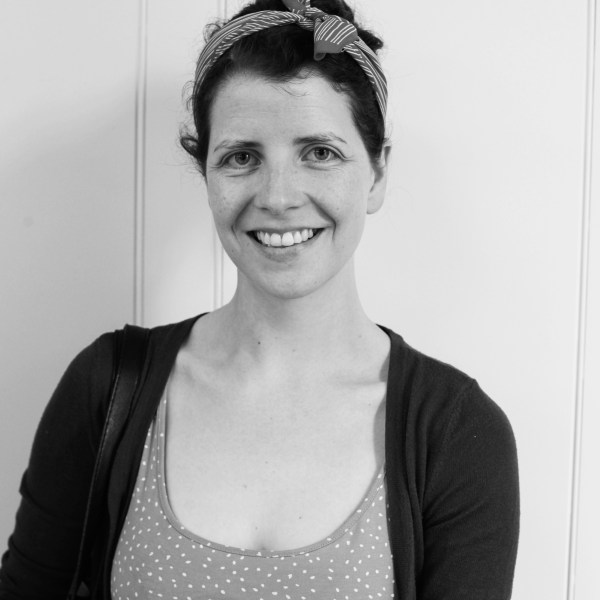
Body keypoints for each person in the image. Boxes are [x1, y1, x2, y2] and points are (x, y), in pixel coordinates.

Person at [0, 0, 520, 598]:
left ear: (376, 174)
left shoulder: (459, 435)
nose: (277, 196)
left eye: (319, 153)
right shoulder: (107, 386)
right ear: (206, 175)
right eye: (242, 157)